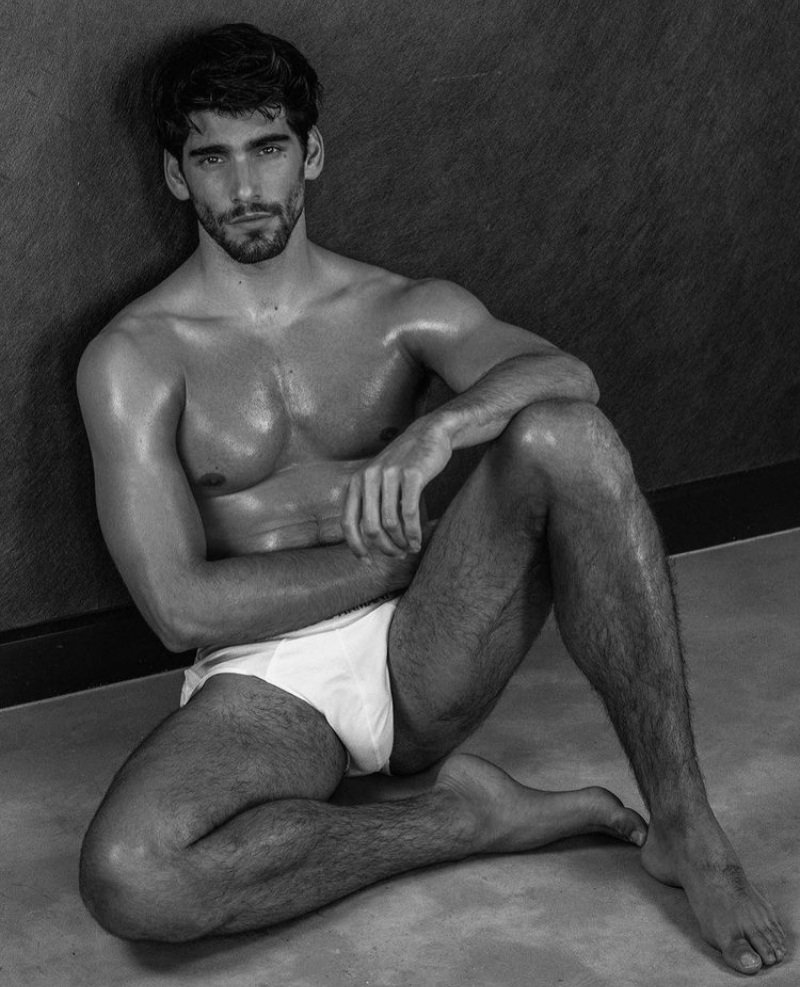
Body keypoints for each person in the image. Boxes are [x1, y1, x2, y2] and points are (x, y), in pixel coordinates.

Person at [76, 22, 785, 975]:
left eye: (268, 148)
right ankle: (462, 820)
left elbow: (565, 375)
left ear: (310, 153)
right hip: (269, 676)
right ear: (176, 175)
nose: (245, 186)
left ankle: (688, 828)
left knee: (568, 437)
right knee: (134, 877)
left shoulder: (401, 309)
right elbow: (179, 608)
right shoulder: (134, 358)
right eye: (213, 157)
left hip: (430, 641)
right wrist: (399, 558)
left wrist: (438, 429)